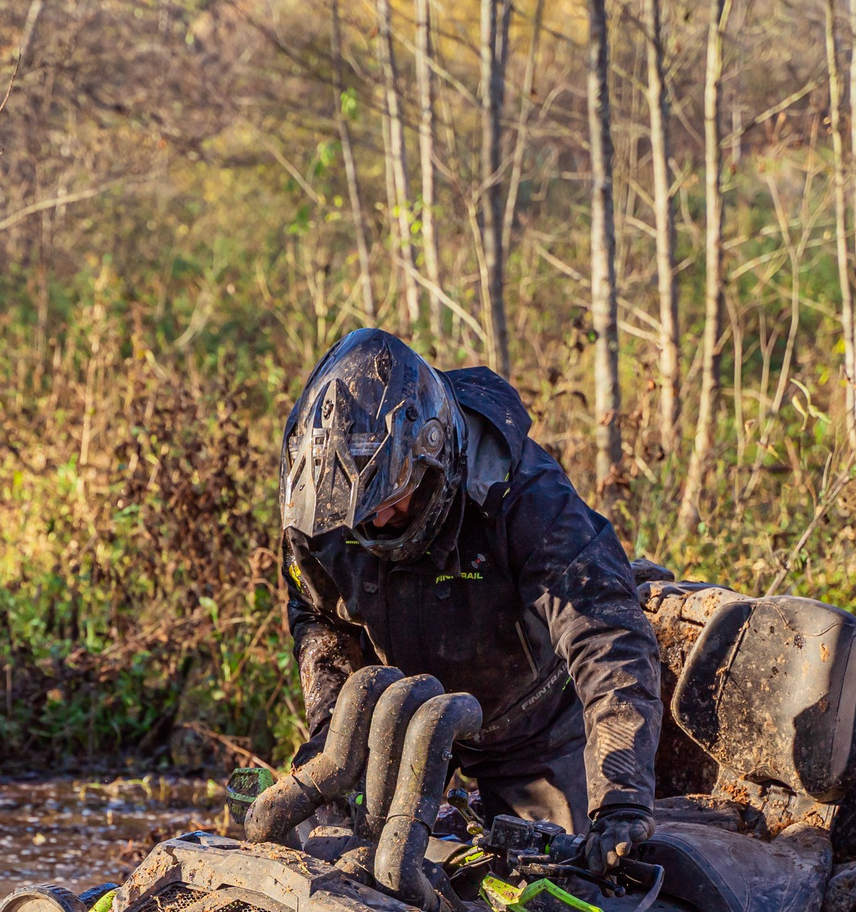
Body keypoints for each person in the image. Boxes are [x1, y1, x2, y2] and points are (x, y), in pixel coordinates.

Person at [279, 327, 662, 871]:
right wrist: (332, 741)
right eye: (358, 512)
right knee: (331, 861)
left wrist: (621, 795)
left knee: (566, 890)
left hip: (534, 726)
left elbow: (608, 637)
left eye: (391, 499)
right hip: (399, 718)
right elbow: (319, 621)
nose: (376, 521)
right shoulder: (323, 512)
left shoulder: (525, 495)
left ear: (432, 457)